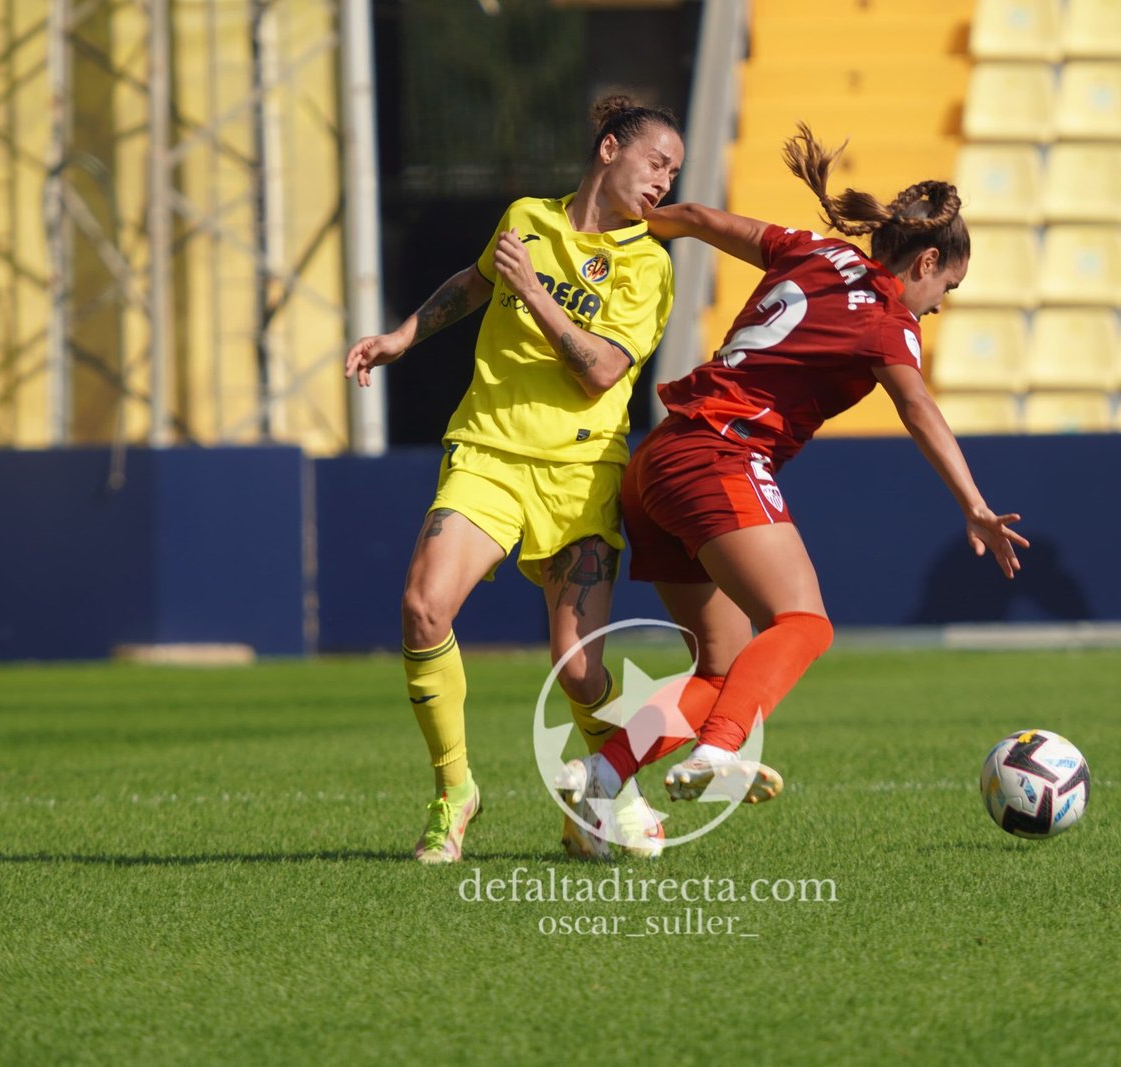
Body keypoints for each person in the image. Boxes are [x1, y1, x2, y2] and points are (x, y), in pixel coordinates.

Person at [554, 125, 1029, 858]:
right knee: (805, 624)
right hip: (720, 455)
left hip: (659, 459)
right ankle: (720, 751)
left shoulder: (812, 249)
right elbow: (917, 407)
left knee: (723, 665)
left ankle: (601, 773)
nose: (938, 305)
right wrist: (973, 503)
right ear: (927, 261)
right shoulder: (890, 321)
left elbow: (699, 219)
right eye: (947, 288)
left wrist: (612, 225)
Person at [344, 96, 683, 864]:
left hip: (580, 469)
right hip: (490, 451)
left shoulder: (647, 265)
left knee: (579, 665)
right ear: (609, 148)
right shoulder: (526, 217)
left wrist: (533, 291)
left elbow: (602, 371)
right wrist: (402, 336)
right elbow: (474, 282)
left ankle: (605, 794)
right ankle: (454, 790)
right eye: (656, 162)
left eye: (673, 173)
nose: (664, 182)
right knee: (423, 607)